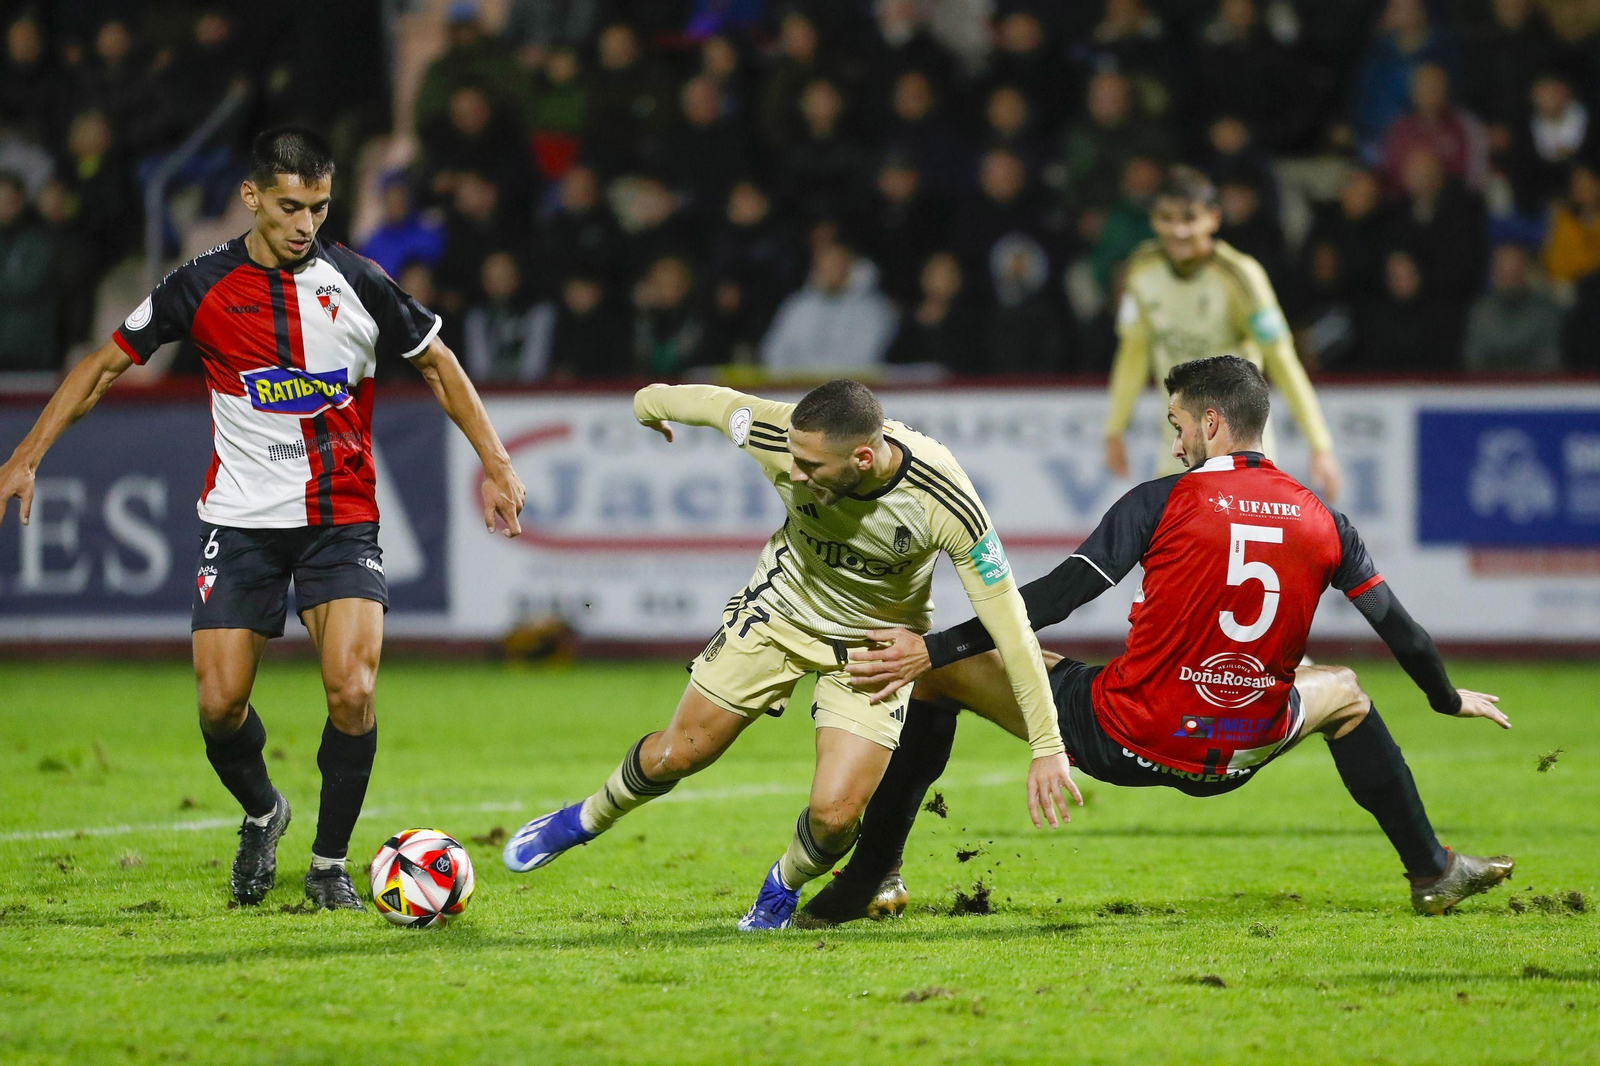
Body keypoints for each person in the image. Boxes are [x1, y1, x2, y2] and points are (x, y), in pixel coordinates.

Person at [0, 127, 527, 910]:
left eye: (317, 206)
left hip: (339, 519)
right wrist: (28, 454)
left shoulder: (357, 280)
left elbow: (438, 364)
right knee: (220, 706)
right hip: (240, 520)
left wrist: (497, 461)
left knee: (352, 690)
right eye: (289, 206)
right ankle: (263, 811)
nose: (305, 223)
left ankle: (327, 866)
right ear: (251, 198)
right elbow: (106, 363)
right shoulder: (200, 284)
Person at [804, 356, 1514, 925]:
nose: (1173, 443)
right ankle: (1431, 871)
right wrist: (1445, 697)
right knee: (1349, 694)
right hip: (1245, 749)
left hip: (1126, 736)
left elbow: (1054, 598)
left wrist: (931, 649)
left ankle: (872, 876)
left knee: (941, 677)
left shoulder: (1162, 500)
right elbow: (1402, 630)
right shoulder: (1324, 518)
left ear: (1211, 421)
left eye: (1177, 425)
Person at [503, 380, 1077, 930]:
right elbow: (712, 401)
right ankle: (583, 819)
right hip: (780, 612)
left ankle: (782, 884)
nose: (794, 472)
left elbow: (1014, 629)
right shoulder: (780, 435)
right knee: (676, 755)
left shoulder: (943, 500)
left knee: (835, 817)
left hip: (874, 647)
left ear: (860, 459)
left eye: (810, 468)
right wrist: (646, 406)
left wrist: (1047, 745)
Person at [1104, 166, 1341, 499]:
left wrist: (1320, 444)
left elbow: (1283, 361)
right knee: (1168, 550)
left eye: (1189, 218)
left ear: (1213, 218)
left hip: (1239, 450)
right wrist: (1114, 430)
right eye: (1167, 218)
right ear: (1153, 219)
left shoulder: (1240, 277)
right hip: (1177, 450)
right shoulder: (1142, 271)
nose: (1178, 230)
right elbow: (1132, 353)